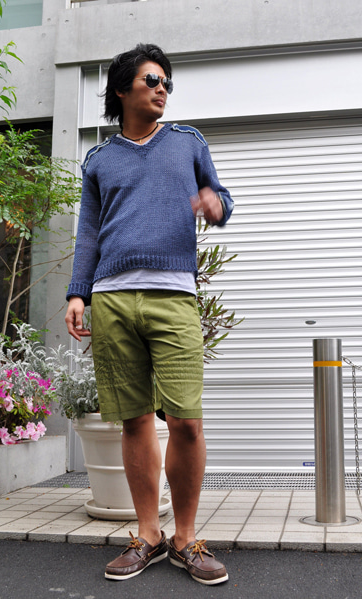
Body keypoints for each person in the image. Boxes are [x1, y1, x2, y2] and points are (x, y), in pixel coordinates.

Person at [64, 43, 234, 586]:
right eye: (152, 80)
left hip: (173, 296)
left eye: (167, 82)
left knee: (186, 420)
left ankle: (186, 537)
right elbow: (89, 231)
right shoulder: (99, 159)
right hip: (112, 298)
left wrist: (215, 205)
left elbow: (222, 197)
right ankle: (148, 535)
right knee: (134, 418)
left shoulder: (187, 142)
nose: (163, 89)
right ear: (122, 89)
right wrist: (77, 293)